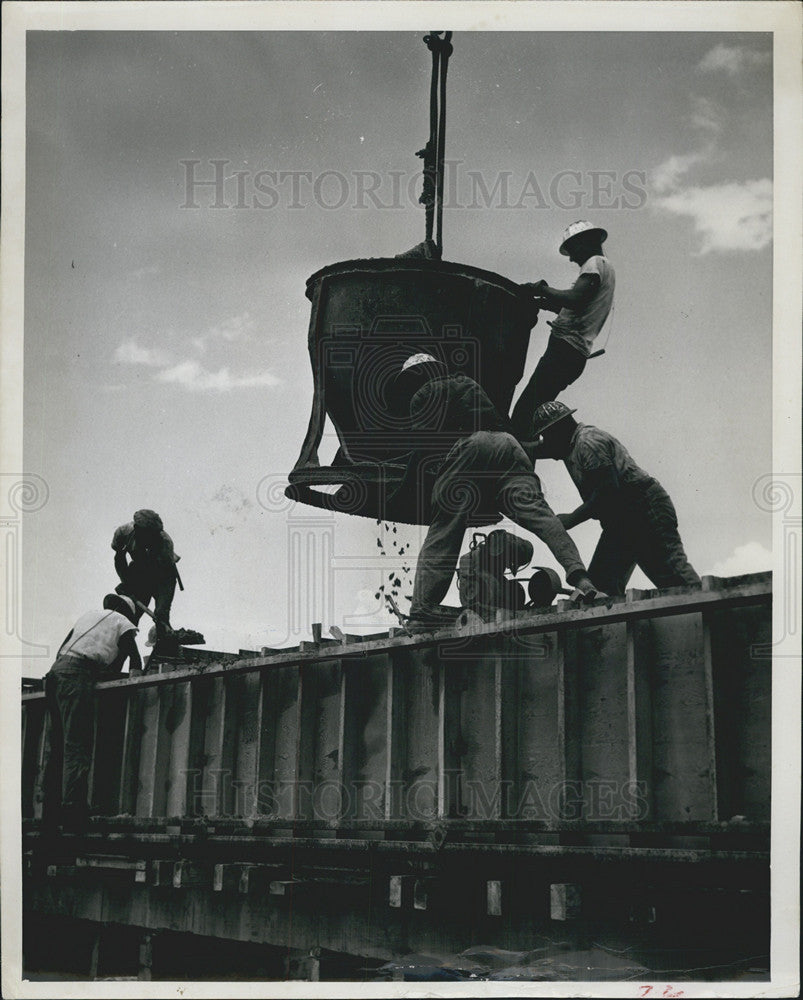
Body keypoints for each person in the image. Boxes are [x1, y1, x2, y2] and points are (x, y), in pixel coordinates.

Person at [393, 353, 601, 627]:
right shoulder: (468, 383)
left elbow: (422, 450)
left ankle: (422, 608)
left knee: (445, 525)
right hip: (509, 447)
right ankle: (581, 578)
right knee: (542, 518)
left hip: (472, 448)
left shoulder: (424, 393)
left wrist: (403, 491)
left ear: (418, 375)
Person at [530, 401, 701, 595]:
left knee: (672, 575)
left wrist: (571, 518)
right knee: (601, 587)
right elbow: (543, 448)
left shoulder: (587, 443)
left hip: (644, 508)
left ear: (558, 432)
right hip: (622, 517)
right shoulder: (568, 442)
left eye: (546, 435)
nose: (545, 441)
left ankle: (717, 615)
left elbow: (607, 494)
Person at [43, 594, 141, 831]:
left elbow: (61, 650)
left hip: (55, 674)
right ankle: (73, 812)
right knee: (77, 747)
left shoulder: (87, 616)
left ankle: (51, 812)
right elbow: (134, 658)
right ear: (128, 612)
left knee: (57, 747)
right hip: (77, 676)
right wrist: (136, 681)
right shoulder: (124, 623)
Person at [510, 220, 615, 442]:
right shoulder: (605, 267)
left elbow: (575, 300)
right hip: (573, 354)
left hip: (564, 349)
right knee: (533, 414)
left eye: (572, 249)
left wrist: (542, 289)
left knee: (524, 413)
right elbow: (576, 306)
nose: (571, 257)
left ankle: (516, 461)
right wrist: (546, 302)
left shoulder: (594, 263)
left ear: (585, 243)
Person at [112, 509, 180, 639]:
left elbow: (165, 579)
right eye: (148, 534)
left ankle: (164, 649)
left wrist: (162, 608)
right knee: (130, 613)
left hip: (163, 576)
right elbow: (119, 559)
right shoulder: (123, 533)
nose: (152, 538)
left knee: (161, 615)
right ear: (137, 529)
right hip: (140, 572)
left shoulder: (164, 543)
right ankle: (126, 648)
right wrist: (125, 582)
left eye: (154, 535)